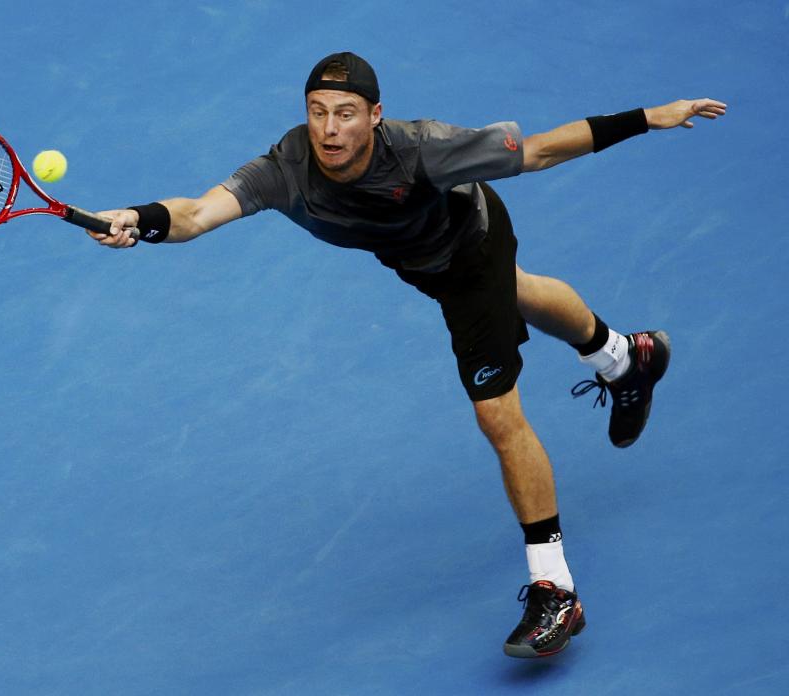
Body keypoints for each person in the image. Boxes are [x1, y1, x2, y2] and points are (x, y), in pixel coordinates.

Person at [88, 52, 726, 658]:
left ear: (373, 114)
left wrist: (647, 117)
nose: (329, 128)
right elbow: (197, 212)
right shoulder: (286, 168)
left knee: (497, 415)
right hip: (422, 264)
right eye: (317, 110)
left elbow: (539, 152)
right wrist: (138, 218)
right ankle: (625, 357)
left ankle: (556, 590)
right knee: (523, 292)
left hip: (470, 249)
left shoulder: (423, 148)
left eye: (345, 112)